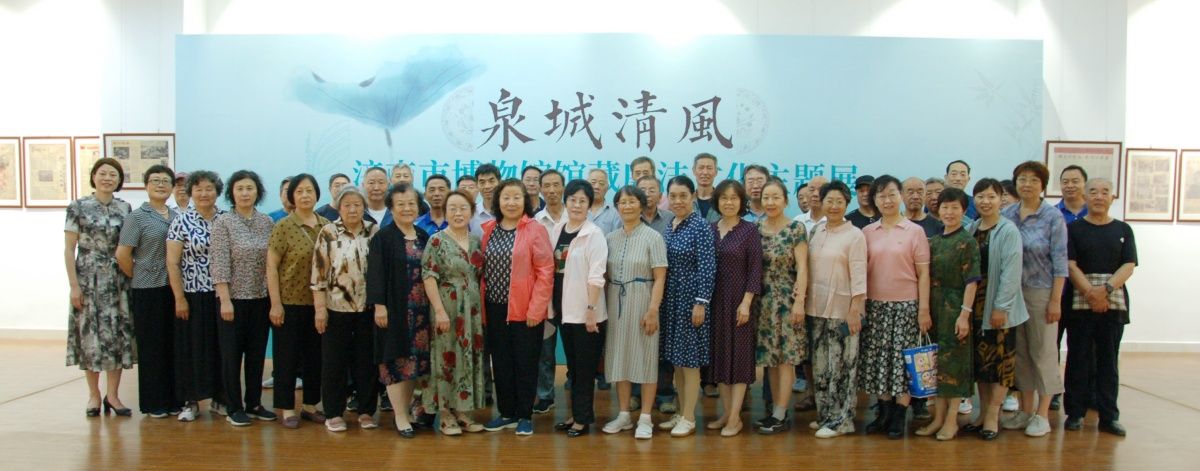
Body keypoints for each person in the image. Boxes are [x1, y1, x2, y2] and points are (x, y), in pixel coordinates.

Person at [858, 175, 931, 440]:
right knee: (879, 359)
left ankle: (900, 415)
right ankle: (884, 412)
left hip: (906, 307)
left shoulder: (915, 231)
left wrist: (923, 309)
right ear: (874, 200)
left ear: (900, 196)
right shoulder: (867, 232)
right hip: (875, 306)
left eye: (891, 194)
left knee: (902, 361)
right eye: (881, 196)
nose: (887, 200)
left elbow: (924, 274)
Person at [480, 179, 554, 436]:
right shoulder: (490, 229)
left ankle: (524, 415)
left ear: (525, 201)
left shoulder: (535, 229)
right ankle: (507, 413)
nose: (511, 202)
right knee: (501, 363)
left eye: (516, 197)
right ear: (497, 201)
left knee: (526, 363)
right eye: (506, 197)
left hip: (525, 310)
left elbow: (545, 271)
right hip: (494, 308)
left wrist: (537, 309)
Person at [1000, 161, 1068, 438]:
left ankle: (1042, 414)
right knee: (1021, 354)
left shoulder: (1052, 217)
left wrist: (1055, 300)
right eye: (1022, 179)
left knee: (1043, 352)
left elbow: (1060, 262)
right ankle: (1025, 411)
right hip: (1011, 293)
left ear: (1042, 185)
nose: (1027, 184)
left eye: (1033, 180)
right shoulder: (1007, 214)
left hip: (1041, 292)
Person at [1064, 178, 1136, 436]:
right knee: (1078, 358)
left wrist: (1104, 291)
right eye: (1093, 192)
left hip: (1113, 304)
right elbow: (1070, 264)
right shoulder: (1073, 229)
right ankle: (1075, 413)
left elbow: (1128, 265)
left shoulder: (1123, 229)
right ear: (1084, 196)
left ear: (1112, 198)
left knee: (1108, 361)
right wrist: (1090, 292)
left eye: (1105, 192)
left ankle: (1109, 416)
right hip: (1079, 303)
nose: (1098, 196)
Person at [66, 158, 134, 417]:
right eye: (103, 173)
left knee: (117, 335)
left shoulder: (124, 208)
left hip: (118, 279)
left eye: (113, 174)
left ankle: (113, 395)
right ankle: (94, 395)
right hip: (88, 279)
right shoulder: (77, 207)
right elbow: (69, 249)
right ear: (94, 176)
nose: (107, 178)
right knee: (90, 336)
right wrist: (74, 286)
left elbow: (129, 246)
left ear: (119, 180)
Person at [210, 170, 278, 426]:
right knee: (231, 356)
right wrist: (225, 299)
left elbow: (272, 263)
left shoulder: (266, 222)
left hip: (261, 298)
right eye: (240, 189)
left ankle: (254, 403)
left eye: (250, 188)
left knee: (256, 355)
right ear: (232, 193)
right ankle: (233, 407)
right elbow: (219, 263)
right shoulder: (223, 222)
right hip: (233, 300)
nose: (245, 193)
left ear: (257, 192)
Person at [365, 184, 433, 437]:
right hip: (393, 311)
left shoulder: (423, 236)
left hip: (421, 312)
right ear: (391, 208)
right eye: (401, 204)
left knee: (413, 363)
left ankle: (406, 411)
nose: (407, 208)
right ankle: (400, 416)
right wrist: (379, 305)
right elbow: (375, 274)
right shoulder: (383, 237)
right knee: (394, 362)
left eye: (411, 203)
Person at [962, 178, 1028, 440]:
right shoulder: (971, 228)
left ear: (1001, 200)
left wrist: (1001, 307)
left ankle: (992, 415)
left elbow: (1012, 273)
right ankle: (981, 414)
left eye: (991, 196)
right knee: (982, 362)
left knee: (1001, 364)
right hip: (975, 308)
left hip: (999, 308)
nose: (985, 201)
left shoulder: (1008, 230)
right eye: (980, 196)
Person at [312, 185, 381, 432]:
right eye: (347, 205)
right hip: (335, 308)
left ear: (364, 207)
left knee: (366, 362)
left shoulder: (373, 231)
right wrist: (320, 309)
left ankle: (366, 411)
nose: (352, 209)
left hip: (367, 308)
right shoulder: (328, 232)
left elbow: (379, 270)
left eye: (357, 205)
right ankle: (333, 412)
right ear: (339, 208)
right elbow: (318, 274)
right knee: (334, 363)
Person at [601, 186, 668, 439]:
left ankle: (646, 417)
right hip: (615, 301)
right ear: (617, 207)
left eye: (632, 202)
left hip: (643, 301)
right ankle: (624, 415)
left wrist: (653, 310)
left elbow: (660, 277)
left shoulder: (653, 237)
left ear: (641, 205)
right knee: (619, 357)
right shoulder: (610, 238)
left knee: (646, 357)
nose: (627, 206)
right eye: (622, 202)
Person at [914, 187, 980, 440]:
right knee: (936, 365)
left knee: (954, 366)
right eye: (945, 207)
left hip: (955, 308)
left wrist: (964, 315)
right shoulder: (933, 241)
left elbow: (971, 282)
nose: (949, 212)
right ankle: (938, 418)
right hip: (933, 308)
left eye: (955, 207)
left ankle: (951, 420)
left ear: (963, 211)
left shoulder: (967, 241)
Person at [419, 190, 488, 435]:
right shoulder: (436, 240)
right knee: (445, 358)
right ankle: (445, 413)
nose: (458, 213)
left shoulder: (476, 241)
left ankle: (462, 411)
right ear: (445, 212)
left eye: (463, 208)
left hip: (472, 311)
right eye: (453, 209)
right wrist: (439, 311)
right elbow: (429, 277)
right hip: (447, 307)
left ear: (471, 212)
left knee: (467, 358)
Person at [267, 174, 330, 429]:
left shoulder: (327, 225)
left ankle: (310, 405)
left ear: (317, 195)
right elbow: (271, 267)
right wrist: (275, 303)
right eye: (300, 191)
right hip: (289, 302)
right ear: (292, 196)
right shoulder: (283, 226)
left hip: (319, 304)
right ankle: (287, 408)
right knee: (287, 358)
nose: (305, 195)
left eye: (309, 191)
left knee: (315, 357)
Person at [115, 165, 179, 417]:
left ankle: (174, 399)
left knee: (171, 344)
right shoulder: (137, 217)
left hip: (173, 288)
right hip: (147, 289)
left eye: (165, 181)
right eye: (155, 180)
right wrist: (138, 274)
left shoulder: (176, 215)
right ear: (146, 185)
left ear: (172, 187)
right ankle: (154, 403)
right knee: (152, 346)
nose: (161, 185)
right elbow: (122, 254)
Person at [656, 176, 716, 437]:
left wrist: (701, 302)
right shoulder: (671, 224)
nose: (678, 200)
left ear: (692, 196)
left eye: (683, 195)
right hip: (672, 300)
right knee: (678, 362)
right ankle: (681, 412)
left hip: (691, 302)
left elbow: (708, 267)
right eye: (673, 196)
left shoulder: (700, 226)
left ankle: (690, 418)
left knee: (690, 363)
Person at [806, 180, 867, 438]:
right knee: (821, 364)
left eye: (839, 202)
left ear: (846, 203)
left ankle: (843, 420)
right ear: (821, 202)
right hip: (817, 309)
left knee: (843, 366)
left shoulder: (855, 235)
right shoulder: (816, 231)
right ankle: (826, 415)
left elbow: (860, 275)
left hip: (844, 311)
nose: (833, 206)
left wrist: (856, 309)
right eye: (829, 201)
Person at [549, 180, 609, 438]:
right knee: (573, 368)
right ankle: (577, 414)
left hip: (587, 313)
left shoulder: (594, 234)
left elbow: (597, 275)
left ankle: (582, 421)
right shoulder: (558, 229)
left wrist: (591, 309)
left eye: (582, 201)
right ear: (566, 202)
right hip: (564, 310)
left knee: (585, 370)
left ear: (589, 205)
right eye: (572, 200)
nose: (576, 205)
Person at [166, 170, 227, 422]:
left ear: (217, 192)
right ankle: (190, 402)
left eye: (209, 188)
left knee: (220, 349)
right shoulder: (181, 221)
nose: (204, 193)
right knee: (192, 349)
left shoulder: (225, 219)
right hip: (192, 294)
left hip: (222, 295)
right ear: (191, 192)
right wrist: (179, 298)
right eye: (199, 189)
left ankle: (220, 399)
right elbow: (172, 262)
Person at [704, 179, 762, 437]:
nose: (729, 202)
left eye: (734, 198)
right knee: (720, 359)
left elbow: (755, 270)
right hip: (715, 303)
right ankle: (726, 413)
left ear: (742, 202)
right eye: (724, 198)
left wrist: (747, 302)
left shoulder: (749, 231)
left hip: (739, 303)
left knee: (738, 360)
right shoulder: (710, 229)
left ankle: (736, 417)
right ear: (717, 201)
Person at [754, 179, 808, 434]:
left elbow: (803, 268)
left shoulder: (795, 228)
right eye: (766, 197)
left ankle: (780, 412)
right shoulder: (756, 228)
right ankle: (776, 411)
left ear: (785, 201)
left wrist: (800, 302)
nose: (770, 202)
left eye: (776, 197)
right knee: (770, 359)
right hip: (762, 301)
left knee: (786, 359)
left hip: (786, 299)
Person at [532, 169, 566, 415]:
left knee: (576, 347)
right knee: (545, 348)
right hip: (544, 293)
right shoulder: (534, 221)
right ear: (540, 189)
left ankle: (577, 388)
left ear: (563, 187)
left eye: (556, 185)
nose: (552, 190)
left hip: (572, 291)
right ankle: (545, 395)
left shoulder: (576, 215)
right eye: (547, 186)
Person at [469, 164, 501, 236]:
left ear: (499, 182)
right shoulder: (471, 213)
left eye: (491, 181)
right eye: (482, 182)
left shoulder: (508, 211)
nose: (487, 186)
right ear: (477, 185)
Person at [586, 168, 621, 234]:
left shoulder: (615, 213)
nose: (596, 187)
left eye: (601, 183)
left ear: (607, 187)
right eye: (593, 183)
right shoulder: (578, 209)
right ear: (586, 185)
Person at [692, 153, 720, 221]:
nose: (705, 172)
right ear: (694, 171)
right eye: (701, 168)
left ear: (716, 172)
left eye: (709, 168)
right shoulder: (687, 201)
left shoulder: (721, 200)